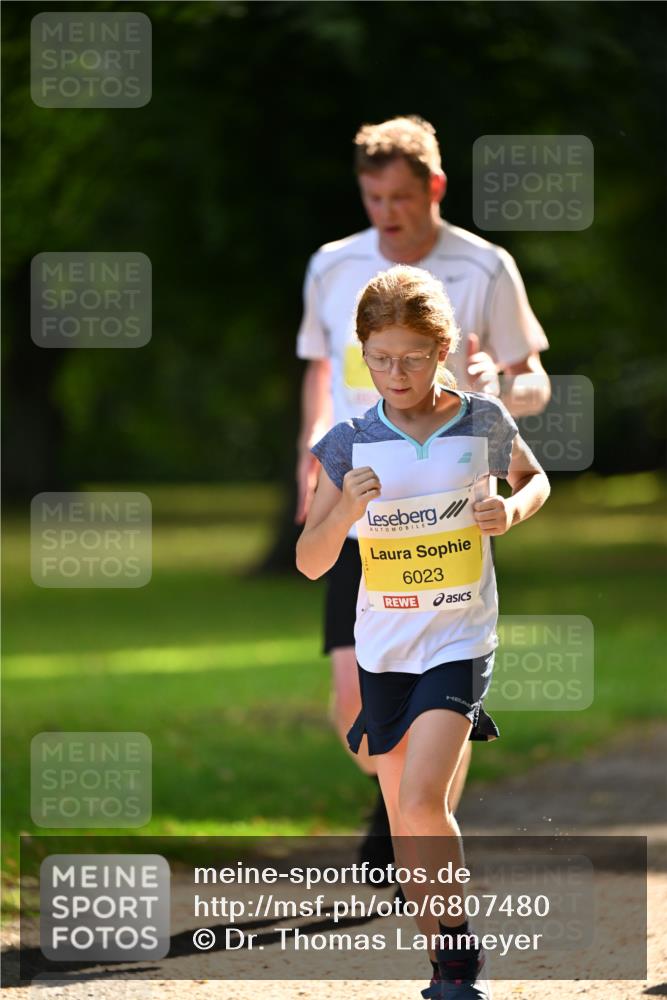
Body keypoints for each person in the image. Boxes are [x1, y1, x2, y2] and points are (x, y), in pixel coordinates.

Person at [295, 114, 550, 860]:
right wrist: (309, 474)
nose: (387, 214)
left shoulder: (484, 267)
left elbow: (530, 376)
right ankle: (405, 800)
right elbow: (319, 376)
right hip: (359, 492)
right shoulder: (332, 266)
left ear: (433, 187)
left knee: (438, 693)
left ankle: (416, 808)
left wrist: (498, 385)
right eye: (373, 198)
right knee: (354, 694)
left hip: (445, 494)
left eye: (401, 197)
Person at [296, 265, 550, 999]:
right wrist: (342, 511)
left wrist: (513, 509)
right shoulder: (347, 443)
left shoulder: (480, 420)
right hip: (384, 647)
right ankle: (442, 955)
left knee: (417, 800)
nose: (394, 373)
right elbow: (311, 562)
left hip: (458, 640)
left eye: (410, 357)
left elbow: (534, 479)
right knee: (409, 816)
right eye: (379, 358)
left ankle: (457, 957)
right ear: (363, 353)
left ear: (440, 348)